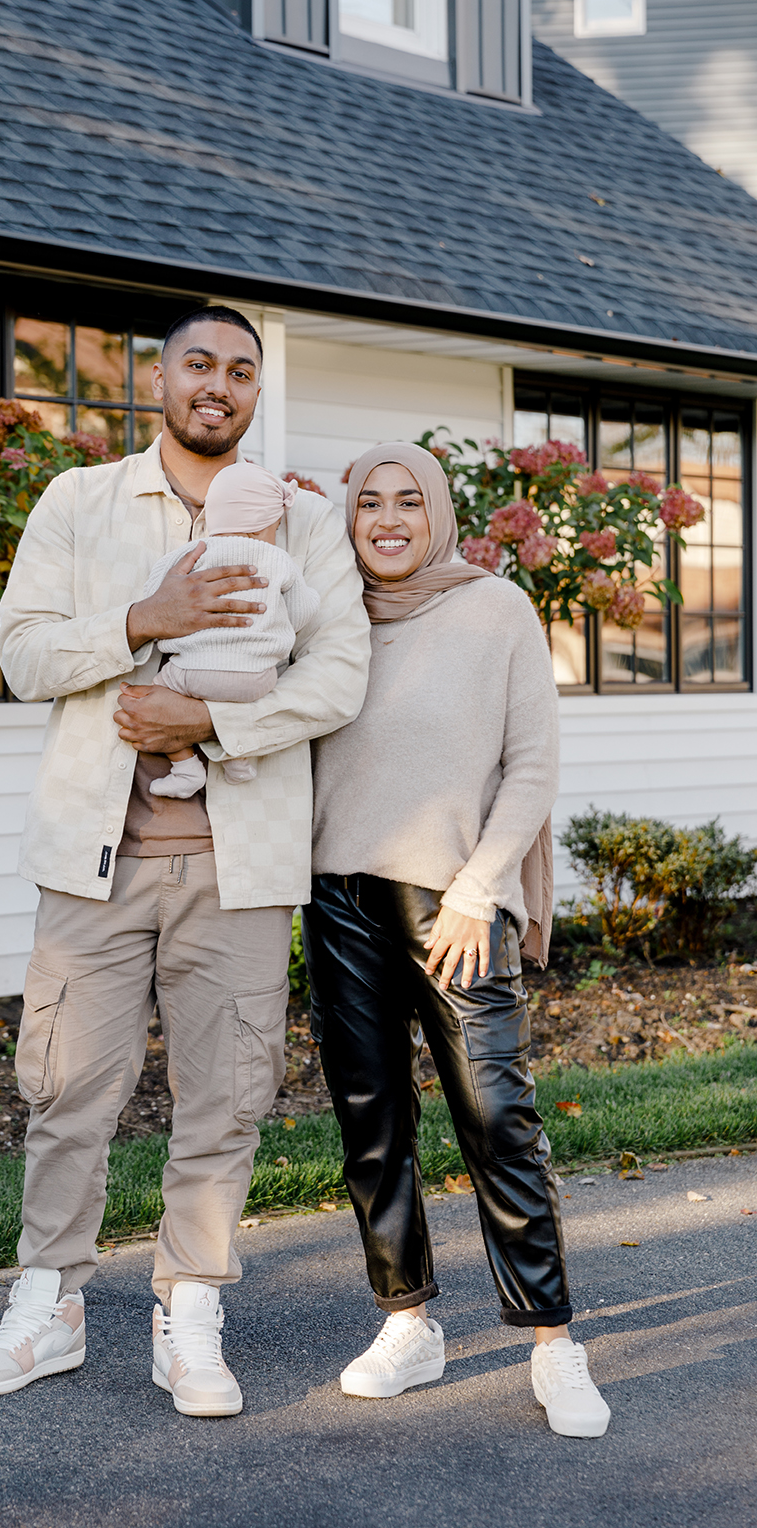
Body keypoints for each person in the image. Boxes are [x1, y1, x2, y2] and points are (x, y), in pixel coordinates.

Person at [0, 306, 371, 1416]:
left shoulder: (300, 520)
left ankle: (188, 1312)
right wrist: (147, 616)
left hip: (240, 866)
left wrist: (209, 726)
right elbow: (24, 653)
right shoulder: (79, 502)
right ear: (160, 377)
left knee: (224, 1100)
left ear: (255, 392)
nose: (218, 385)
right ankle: (50, 1304)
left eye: (241, 370)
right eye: (200, 364)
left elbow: (339, 676)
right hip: (92, 862)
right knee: (67, 1090)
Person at [302, 441, 611, 1440]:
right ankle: (408, 1324)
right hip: (337, 892)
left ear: (438, 511)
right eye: (367, 504)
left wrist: (482, 891)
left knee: (496, 1116)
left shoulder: (494, 609)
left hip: (456, 898)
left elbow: (532, 764)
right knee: (371, 1120)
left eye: (407, 500)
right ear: (348, 518)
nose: (387, 518)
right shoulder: (327, 614)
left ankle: (553, 1341)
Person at [142, 461, 320, 797]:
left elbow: (154, 595)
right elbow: (304, 609)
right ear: (259, 527)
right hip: (258, 679)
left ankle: (185, 768)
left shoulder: (191, 553)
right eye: (275, 527)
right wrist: (272, 628)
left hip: (194, 672)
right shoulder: (278, 559)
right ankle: (239, 757)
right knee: (241, 702)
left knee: (155, 694)